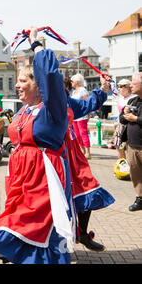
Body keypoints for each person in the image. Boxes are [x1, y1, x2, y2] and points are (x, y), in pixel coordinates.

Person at [0, 27, 73, 264]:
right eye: (17, 81)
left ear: (39, 85)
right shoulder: (24, 110)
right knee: (20, 226)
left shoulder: (53, 108)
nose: (17, 86)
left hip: (43, 177)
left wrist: (36, 45)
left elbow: (51, 76)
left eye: (22, 81)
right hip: (21, 178)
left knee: (36, 227)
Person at [65, 76, 115, 251]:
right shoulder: (39, 104)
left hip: (73, 154)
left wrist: (103, 88)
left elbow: (88, 105)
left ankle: (82, 233)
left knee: (86, 188)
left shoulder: (68, 102)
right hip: (53, 155)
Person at [119, 73, 142, 212]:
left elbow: (136, 119)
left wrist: (136, 119)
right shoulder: (133, 101)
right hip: (132, 145)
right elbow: (122, 120)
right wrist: (125, 113)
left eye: (133, 83)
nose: (130, 86)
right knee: (136, 175)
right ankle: (140, 198)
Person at [70, 74, 91, 159]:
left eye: (72, 81)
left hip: (82, 116)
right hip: (75, 116)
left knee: (83, 133)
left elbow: (87, 103)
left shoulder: (82, 90)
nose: (71, 83)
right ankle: (82, 150)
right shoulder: (74, 91)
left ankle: (88, 152)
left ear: (77, 82)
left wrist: (88, 114)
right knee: (77, 134)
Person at [113, 79, 136, 159]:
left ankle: (129, 164)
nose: (119, 89)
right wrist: (116, 122)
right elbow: (118, 113)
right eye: (118, 86)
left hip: (130, 124)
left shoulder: (134, 98)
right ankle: (122, 163)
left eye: (121, 86)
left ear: (127, 88)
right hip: (120, 124)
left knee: (129, 147)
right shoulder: (120, 98)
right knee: (118, 145)